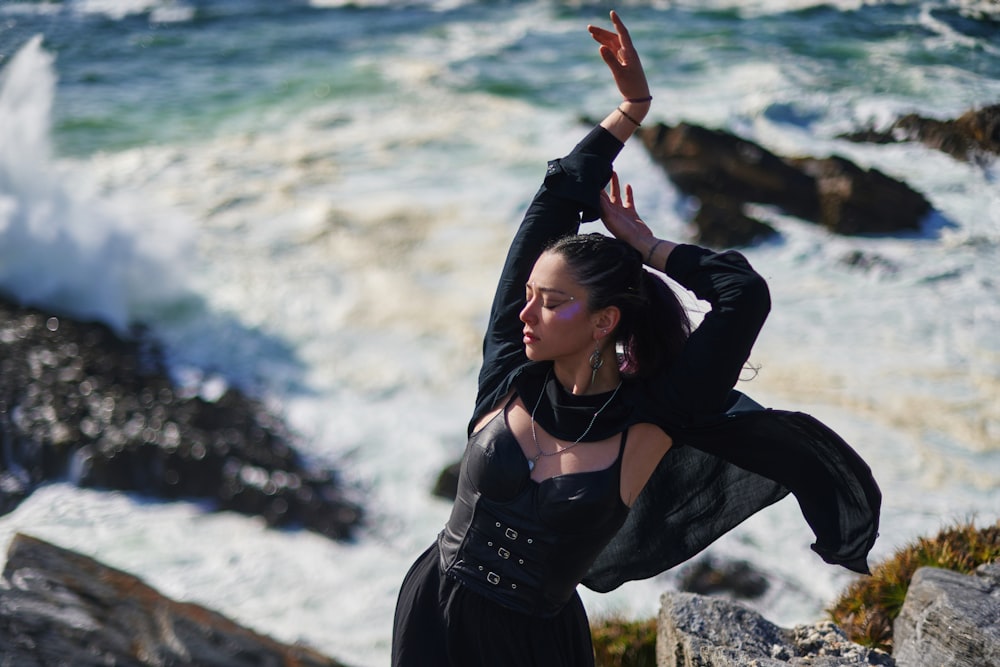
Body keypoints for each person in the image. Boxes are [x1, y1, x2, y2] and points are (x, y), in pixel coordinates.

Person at [391, 11, 880, 666]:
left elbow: (743, 296)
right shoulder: (511, 370)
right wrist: (629, 110)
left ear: (605, 320)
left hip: (536, 644)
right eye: (529, 295)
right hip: (435, 616)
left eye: (553, 301)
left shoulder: (651, 419)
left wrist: (649, 246)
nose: (525, 312)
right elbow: (554, 199)